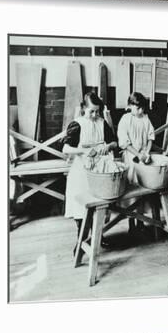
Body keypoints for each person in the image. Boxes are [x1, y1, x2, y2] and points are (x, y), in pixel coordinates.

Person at [63, 93, 117, 251]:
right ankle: (81, 240)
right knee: (81, 207)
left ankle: (98, 236)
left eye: (97, 111)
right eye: (91, 111)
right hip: (81, 171)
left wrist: (108, 146)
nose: (94, 115)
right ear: (83, 109)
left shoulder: (102, 123)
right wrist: (83, 151)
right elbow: (66, 148)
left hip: (100, 168)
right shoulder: (77, 124)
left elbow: (114, 142)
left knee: (100, 203)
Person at [117, 92, 156, 234]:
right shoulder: (125, 119)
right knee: (132, 190)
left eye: (142, 108)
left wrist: (146, 152)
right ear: (129, 106)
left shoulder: (145, 119)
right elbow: (124, 143)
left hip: (143, 157)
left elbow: (151, 137)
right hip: (130, 157)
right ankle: (131, 222)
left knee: (143, 188)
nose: (140, 111)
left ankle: (141, 221)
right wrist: (138, 154)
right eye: (137, 108)